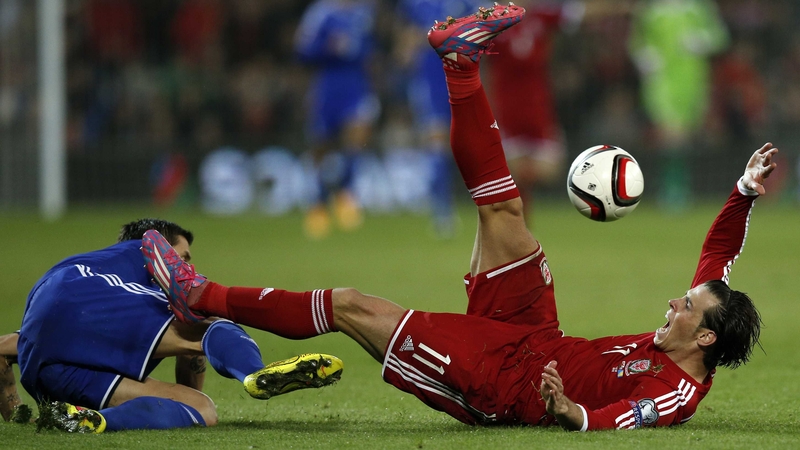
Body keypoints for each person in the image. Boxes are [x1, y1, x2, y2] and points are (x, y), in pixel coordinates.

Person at [144, 4, 772, 431]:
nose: (674, 303)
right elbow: (717, 257)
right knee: (503, 209)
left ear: (706, 339)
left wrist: (573, 414)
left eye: (685, 309)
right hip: (539, 337)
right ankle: (461, 64)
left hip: (507, 385)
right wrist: (743, 189)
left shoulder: (681, 390)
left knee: (350, 304)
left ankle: (203, 297)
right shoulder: (698, 322)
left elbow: (633, 418)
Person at [4, 218, 343, 432]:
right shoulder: (141, 252)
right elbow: (196, 331)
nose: (187, 267)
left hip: (47, 367)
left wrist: (12, 406)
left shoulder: (94, 274)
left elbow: (12, 346)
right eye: (182, 257)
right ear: (160, 247)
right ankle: (255, 373)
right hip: (80, 298)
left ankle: (94, 421)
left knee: (201, 409)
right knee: (211, 322)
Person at [628, 0, 729, 210]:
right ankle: (673, 189)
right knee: (671, 133)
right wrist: (644, 57)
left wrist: (702, 41)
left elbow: (720, 36)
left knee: (683, 136)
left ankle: (677, 186)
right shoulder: (651, 11)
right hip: (661, 81)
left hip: (692, 80)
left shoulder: (699, 7)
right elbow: (637, 43)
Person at [393, 0, 481, 238]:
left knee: (469, 142)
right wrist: (408, 49)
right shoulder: (418, 4)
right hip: (431, 78)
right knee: (437, 142)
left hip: (463, 73)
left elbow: (484, 30)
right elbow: (405, 42)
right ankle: (442, 210)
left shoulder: (469, 2)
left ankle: (485, 203)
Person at [294, 0, 380, 239]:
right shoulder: (320, 13)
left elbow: (373, 46)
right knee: (321, 145)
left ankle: (346, 195)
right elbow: (302, 49)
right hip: (328, 84)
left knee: (357, 136)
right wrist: (327, 47)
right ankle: (319, 203)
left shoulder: (366, 12)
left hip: (356, 83)